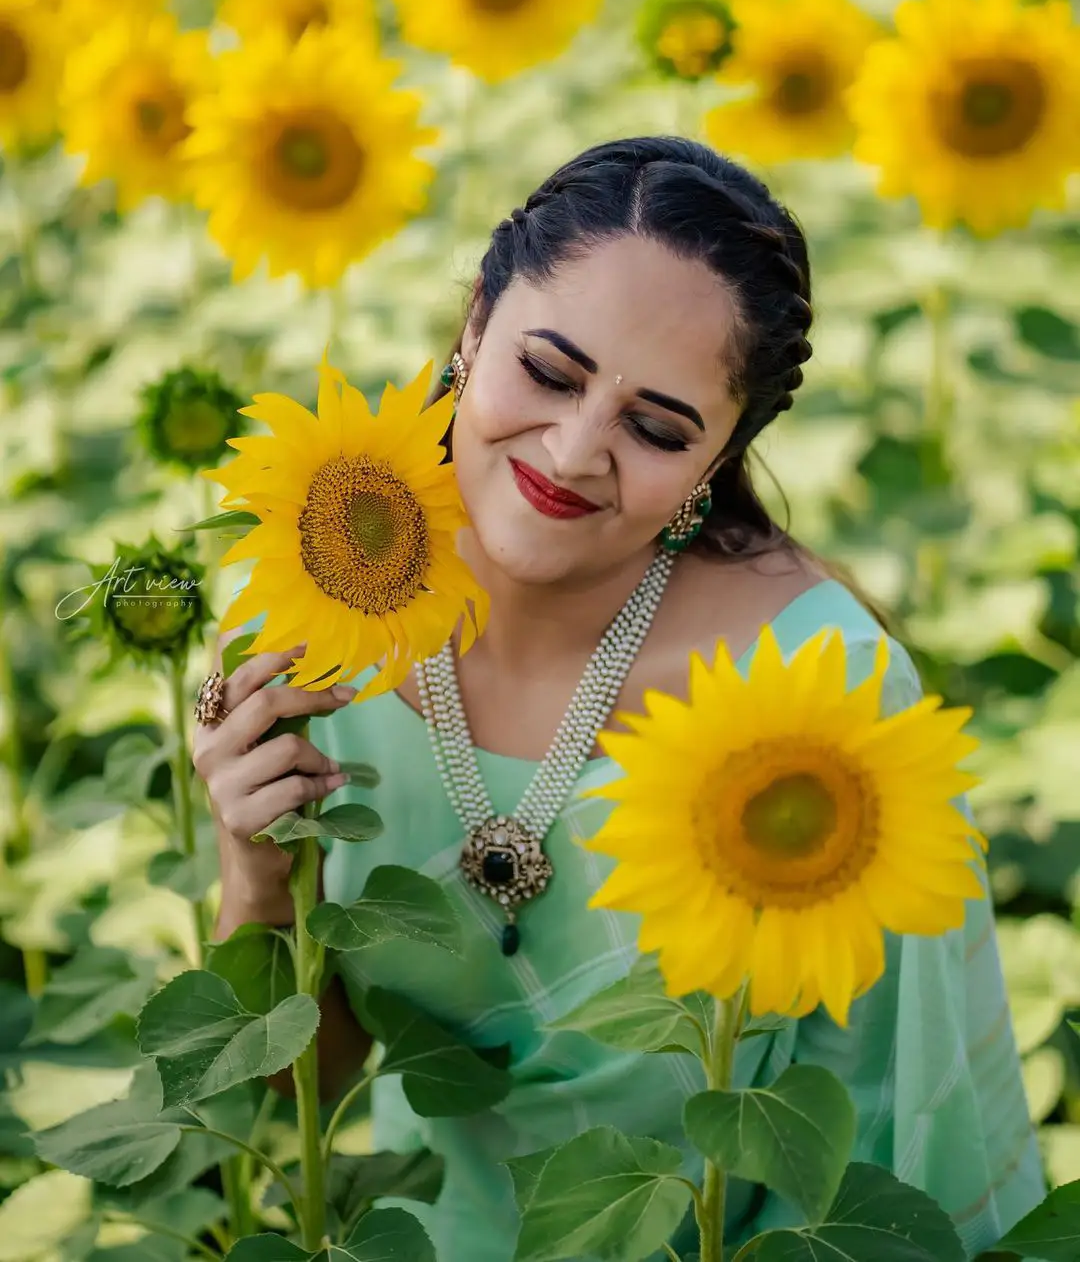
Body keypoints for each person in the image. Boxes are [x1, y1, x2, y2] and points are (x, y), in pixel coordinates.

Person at [194, 136, 1045, 1261]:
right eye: (549, 372)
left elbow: (890, 1117)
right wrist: (254, 868)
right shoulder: (314, 594)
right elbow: (292, 1103)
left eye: (656, 428)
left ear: (720, 456)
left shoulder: (816, 689)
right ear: (476, 319)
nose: (575, 449)